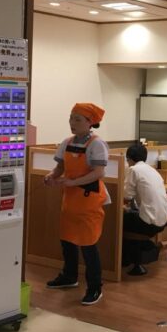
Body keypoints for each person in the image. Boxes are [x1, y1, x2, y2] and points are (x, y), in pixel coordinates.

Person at [44, 103, 109, 306]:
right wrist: (51, 176)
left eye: (78, 119)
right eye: (71, 118)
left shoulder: (97, 145)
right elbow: (60, 167)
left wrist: (72, 182)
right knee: (68, 241)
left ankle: (95, 287)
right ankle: (69, 276)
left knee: (88, 245)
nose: (72, 123)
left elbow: (99, 173)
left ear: (90, 123)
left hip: (89, 200)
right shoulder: (66, 142)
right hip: (70, 200)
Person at [123, 144, 167, 266]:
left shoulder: (133, 170)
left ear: (130, 159)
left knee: (118, 220)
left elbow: (126, 196)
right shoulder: (152, 170)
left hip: (148, 223)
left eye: (127, 160)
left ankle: (123, 260)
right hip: (163, 220)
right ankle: (135, 255)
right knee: (130, 215)